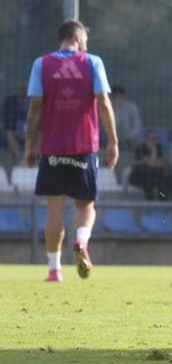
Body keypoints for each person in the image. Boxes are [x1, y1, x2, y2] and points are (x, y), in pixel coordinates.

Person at [24, 20, 118, 282]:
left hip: (52, 147)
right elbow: (103, 101)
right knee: (86, 207)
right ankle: (80, 239)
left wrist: (30, 145)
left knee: (54, 208)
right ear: (78, 38)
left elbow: (35, 108)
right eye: (85, 39)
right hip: (84, 146)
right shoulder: (92, 62)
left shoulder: (41, 64)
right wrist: (113, 141)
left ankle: (54, 270)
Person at [129, 129, 167, 200]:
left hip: (155, 176)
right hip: (140, 176)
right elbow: (150, 163)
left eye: (154, 138)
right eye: (150, 138)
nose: (152, 140)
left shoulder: (159, 147)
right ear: (146, 139)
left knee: (162, 184)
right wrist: (153, 151)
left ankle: (164, 199)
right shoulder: (141, 148)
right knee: (149, 181)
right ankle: (150, 204)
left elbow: (162, 163)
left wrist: (150, 161)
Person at [111, 85, 142, 167]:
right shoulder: (109, 107)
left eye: (119, 96)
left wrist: (127, 137)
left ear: (123, 96)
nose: (117, 99)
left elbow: (137, 127)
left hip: (130, 141)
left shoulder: (132, 107)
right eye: (115, 97)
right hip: (113, 139)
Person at [3, 80, 28, 163]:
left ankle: (33, 158)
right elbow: (7, 125)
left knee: (40, 134)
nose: (23, 90)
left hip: (30, 134)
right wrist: (17, 134)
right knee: (9, 134)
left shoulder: (33, 102)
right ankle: (21, 160)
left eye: (24, 88)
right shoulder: (10, 102)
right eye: (21, 88)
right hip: (15, 133)